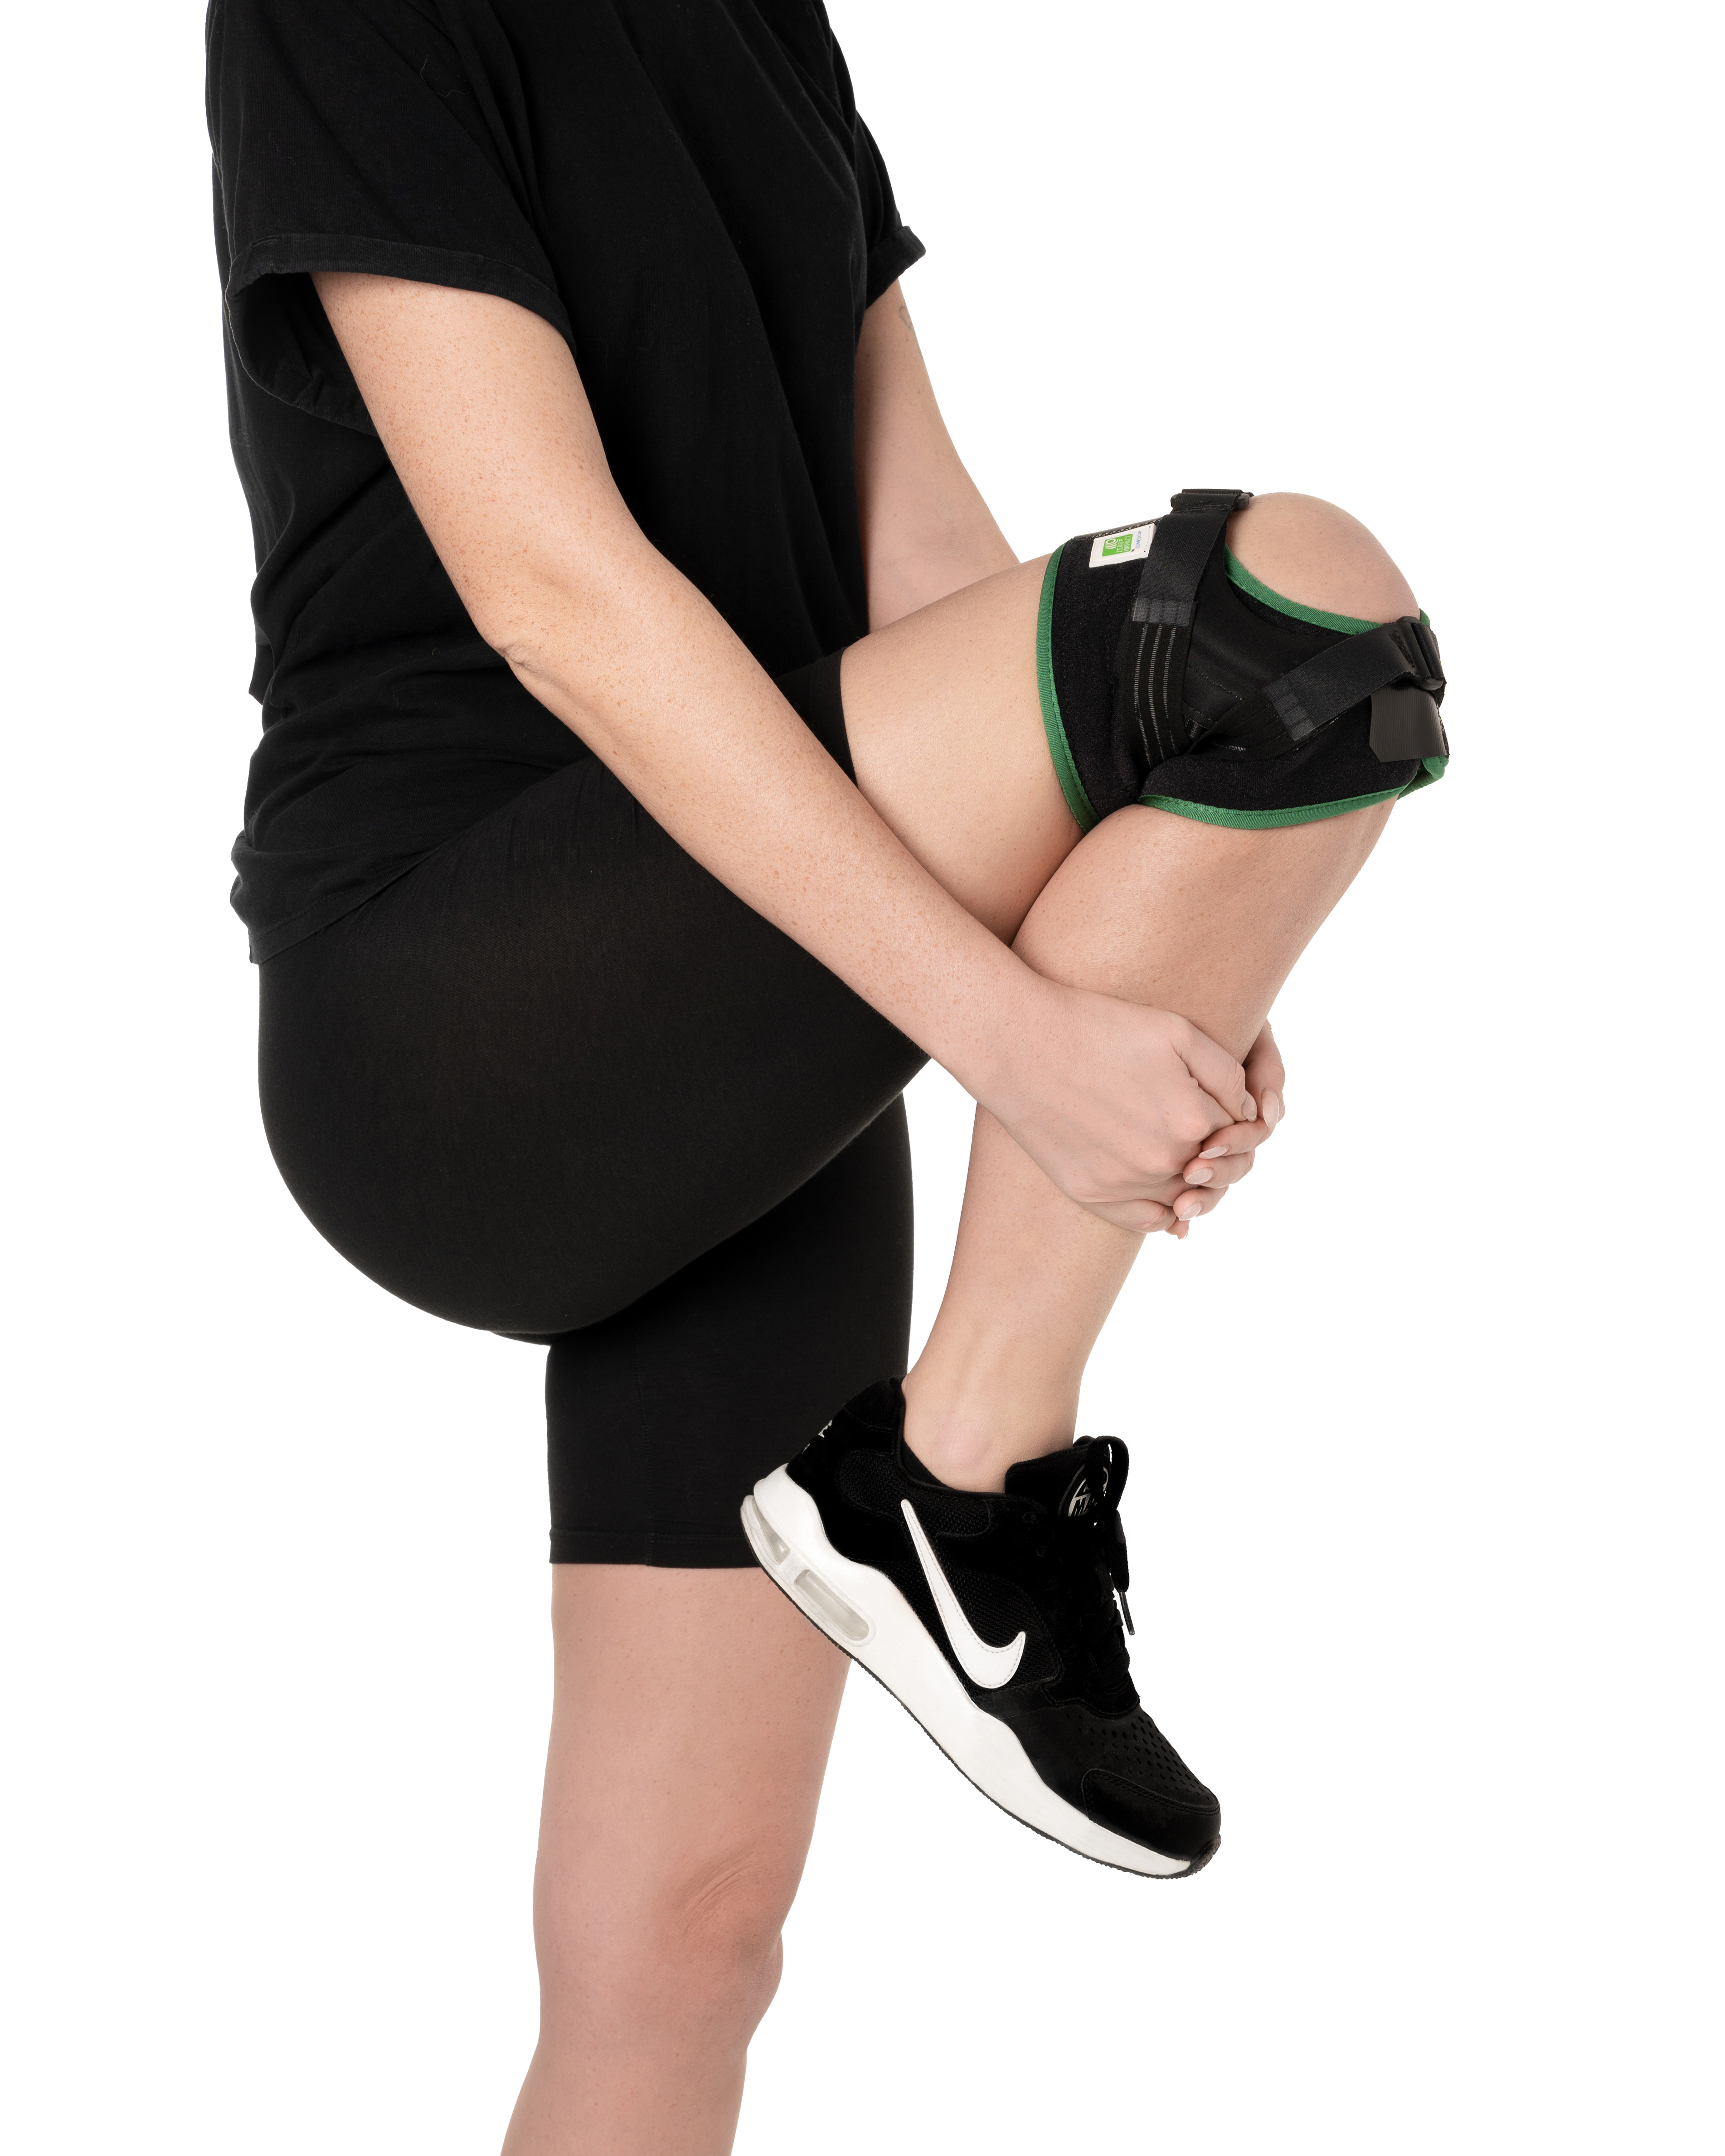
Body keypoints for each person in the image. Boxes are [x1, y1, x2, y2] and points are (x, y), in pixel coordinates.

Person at [207, 0, 1448, 2146]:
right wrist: (1014, 1035)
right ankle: (959, 1489)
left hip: (760, 983)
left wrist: (1168, 908)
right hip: (467, 987)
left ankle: (933, 1504)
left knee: (679, 1954)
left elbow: (925, 558)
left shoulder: (760, 20)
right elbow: (553, 587)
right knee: (1284, 613)